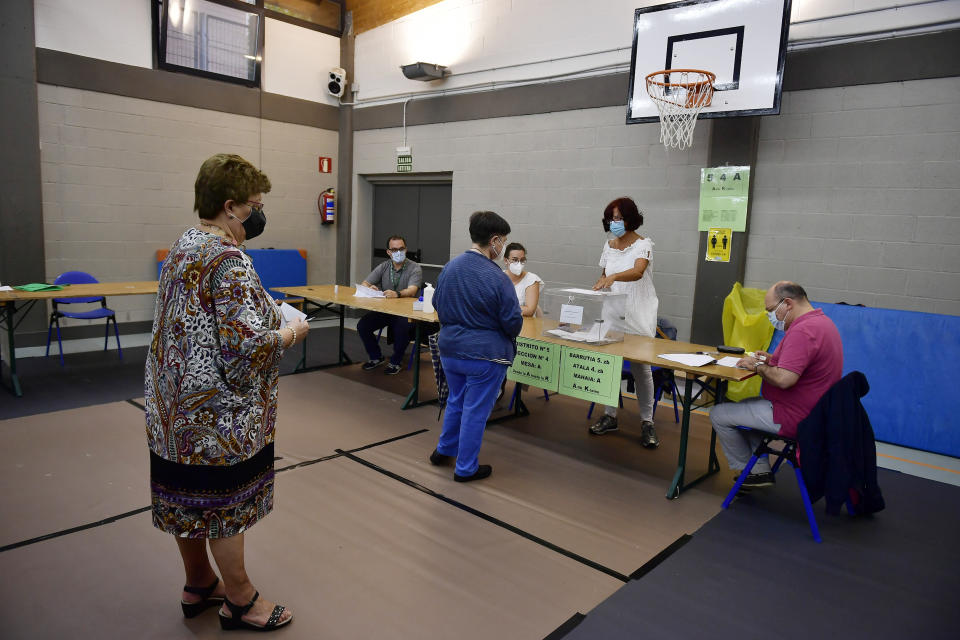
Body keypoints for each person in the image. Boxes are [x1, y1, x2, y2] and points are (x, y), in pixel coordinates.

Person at [145, 154, 307, 632]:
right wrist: (293, 330)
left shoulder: (184, 246)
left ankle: (198, 583)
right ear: (231, 206)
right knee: (223, 507)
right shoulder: (228, 258)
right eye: (254, 205)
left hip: (172, 408)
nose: (258, 214)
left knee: (188, 500)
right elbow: (247, 348)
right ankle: (240, 600)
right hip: (219, 416)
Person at [710, 281, 843, 488]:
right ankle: (759, 469)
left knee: (719, 414)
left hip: (795, 415)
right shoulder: (821, 322)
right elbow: (803, 364)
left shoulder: (803, 330)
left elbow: (784, 379)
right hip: (815, 411)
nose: (771, 316)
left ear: (788, 303)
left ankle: (751, 472)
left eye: (771, 310)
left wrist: (757, 367)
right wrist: (772, 360)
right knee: (747, 405)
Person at [429, 211, 523, 482]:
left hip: (450, 350)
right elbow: (512, 322)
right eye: (503, 241)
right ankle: (466, 468)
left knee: (456, 401)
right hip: (485, 355)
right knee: (476, 411)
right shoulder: (497, 278)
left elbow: (437, 305)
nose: (502, 246)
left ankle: (443, 450)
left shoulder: (450, 268)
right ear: (494, 240)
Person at [588, 197, 660, 448]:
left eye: (618, 217)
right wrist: (600, 282)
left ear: (630, 218)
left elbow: (638, 271)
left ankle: (647, 421)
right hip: (613, 311)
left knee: (641, 368)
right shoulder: (608, 245)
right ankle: (610, 415)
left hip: (638, 312)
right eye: (611, 218)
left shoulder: (644, 244)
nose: (614, 222)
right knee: (609, 364)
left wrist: (615, 275)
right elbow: (605, 274)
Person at [357, 235, 423, 375]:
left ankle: (396, 361)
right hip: (386, 309)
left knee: (401, 328)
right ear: (388, 252)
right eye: (394, 249)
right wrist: (370, 288)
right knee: (363, 325)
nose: (398, 252)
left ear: (406, 249)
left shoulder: (414, 267)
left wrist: (397, 294)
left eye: (401, 249)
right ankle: (376, 357)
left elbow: (412, 290)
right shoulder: (384, 266)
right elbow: (364, 283)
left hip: (406, 312)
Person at [503, 242, 542, 317]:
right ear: (506, 261)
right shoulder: (498, 277)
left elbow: (530, 310)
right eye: (515, 260)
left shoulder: (532, 280)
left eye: (522, 260)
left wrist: (501, 307)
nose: (519, 264)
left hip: (525, 323)